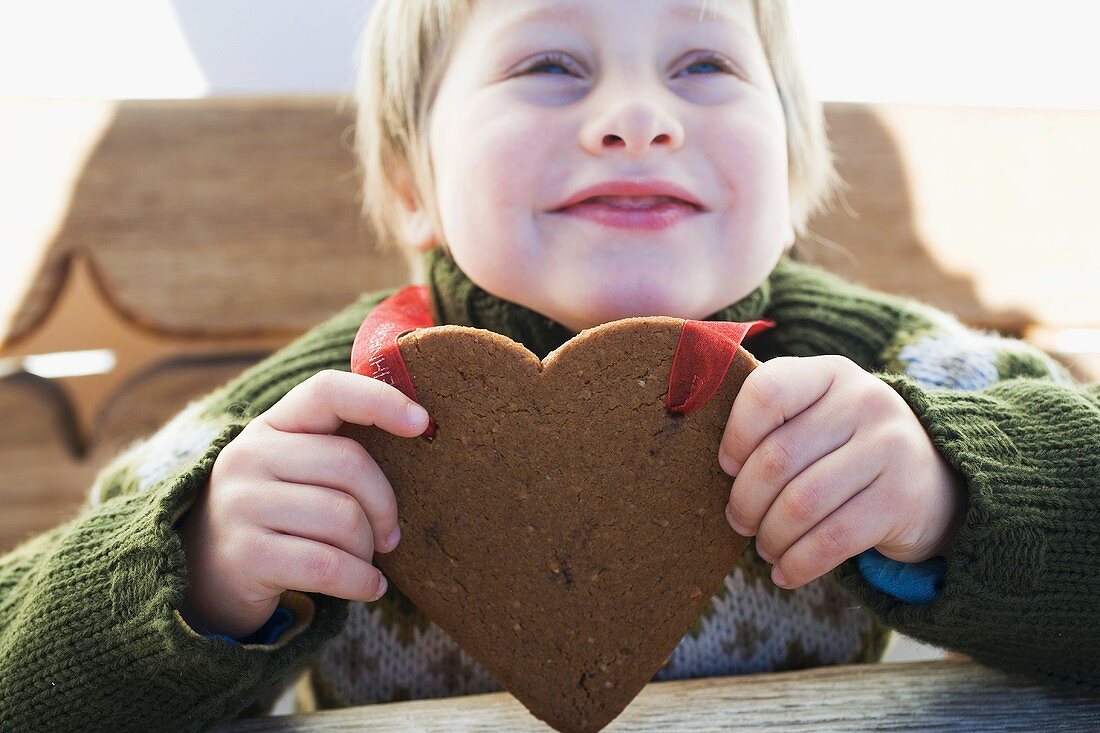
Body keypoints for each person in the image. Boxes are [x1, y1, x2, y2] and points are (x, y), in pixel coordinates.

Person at [2, 0, 1097, 730]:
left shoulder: (897, 381)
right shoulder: (321, 417)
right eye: (549, 64)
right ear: (409, 184)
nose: (634, 117)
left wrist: (956, 491)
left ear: (796, 171)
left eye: (703, 62)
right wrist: (197, 568)